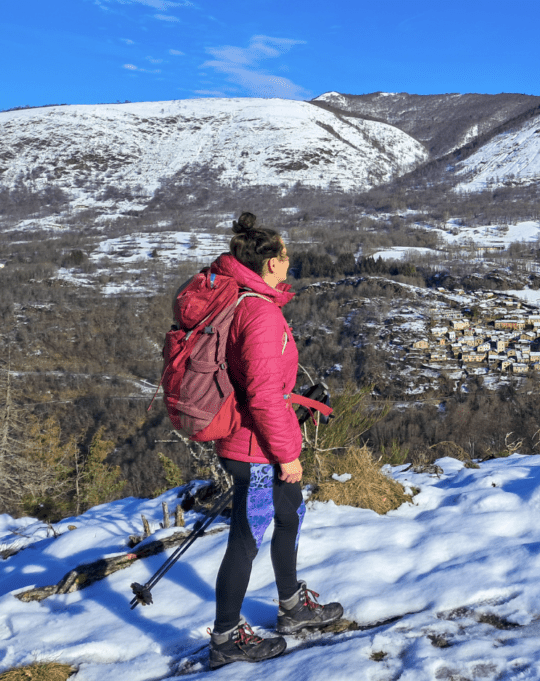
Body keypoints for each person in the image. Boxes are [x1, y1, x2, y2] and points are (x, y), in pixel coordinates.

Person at [206, 212, 342, 669]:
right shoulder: (259, 313)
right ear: (269, 264)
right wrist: (287, 455)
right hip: (255, 447)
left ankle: (292, 608)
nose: (290, 261)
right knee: (247, 537)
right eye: (285, 255)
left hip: (260, 441)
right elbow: (263, 397)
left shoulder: (248, 302)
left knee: (289, 514)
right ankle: (225, 638)